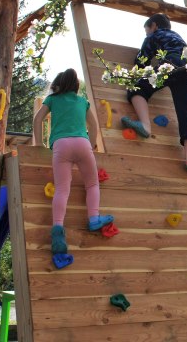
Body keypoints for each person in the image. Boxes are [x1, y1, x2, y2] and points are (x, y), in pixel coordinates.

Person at [33, 68, 114, 257]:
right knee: (92, 184)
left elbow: (38, 119)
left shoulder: (52, 99)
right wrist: (92, 143)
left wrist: (39, 144)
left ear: (58, 85)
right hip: (82, 143)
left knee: (62, 189)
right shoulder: (83, 101)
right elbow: (93, 126)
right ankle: (94, 218)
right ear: (77, 86)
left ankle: (58, 230)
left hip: (61, 145)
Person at [121, 13, 187, 169]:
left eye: (147, 30)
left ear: (154, 25)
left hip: (172, 63)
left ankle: (145, 125)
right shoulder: (177, 36)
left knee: (137, 88)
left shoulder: (156, 34)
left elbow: (141, 61)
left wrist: (138, 71)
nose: (147, 34)